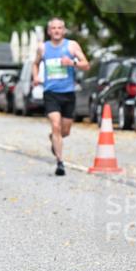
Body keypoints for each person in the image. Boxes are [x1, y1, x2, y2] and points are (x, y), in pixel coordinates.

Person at [32, 17, 90, 176]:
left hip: (68, 93)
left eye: (59, 28)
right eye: (53, 28)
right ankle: (60, 162)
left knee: (65, 131)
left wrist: (72, 63)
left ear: (63, 31)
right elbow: (35, 63)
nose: (56, 31)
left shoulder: (72, 46)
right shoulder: (43, 48)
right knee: (56, 125)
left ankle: (54, 138)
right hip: (51, 93)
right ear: (49, 31)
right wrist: (36, 77)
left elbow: (86, 65)